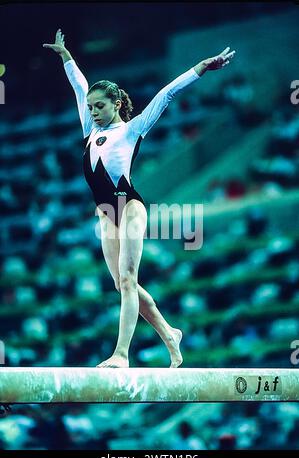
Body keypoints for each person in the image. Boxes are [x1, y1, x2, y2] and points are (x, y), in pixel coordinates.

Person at [43, 29, 235, 368]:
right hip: (105, 212)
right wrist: (66, 57)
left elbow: (166, 94)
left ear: (116, 104)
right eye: (90, 107)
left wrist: (201, 67)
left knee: (129, 278)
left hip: (129, 207)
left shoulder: (132, 129)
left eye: (99, 106)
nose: (93, 111)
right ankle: (170, 335)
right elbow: (78, 86)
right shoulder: (90, 130)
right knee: (121, 285)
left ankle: (121, 354)